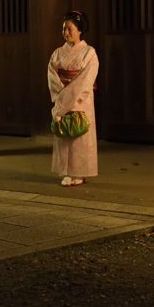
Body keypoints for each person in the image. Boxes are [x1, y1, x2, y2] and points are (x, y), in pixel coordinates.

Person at [47, 11, 99, 187]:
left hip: (81, 101)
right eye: (64, 29)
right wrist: (61, 99)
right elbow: (52, 77)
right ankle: (67, 172)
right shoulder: (58, 53)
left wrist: (62, 104)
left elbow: (84, 83)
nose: (66, 32)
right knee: (64, 137)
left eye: (69, 29)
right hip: (63, 98)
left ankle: (80, 173)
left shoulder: (89, 53)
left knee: (79, 137)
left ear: (79, 30)